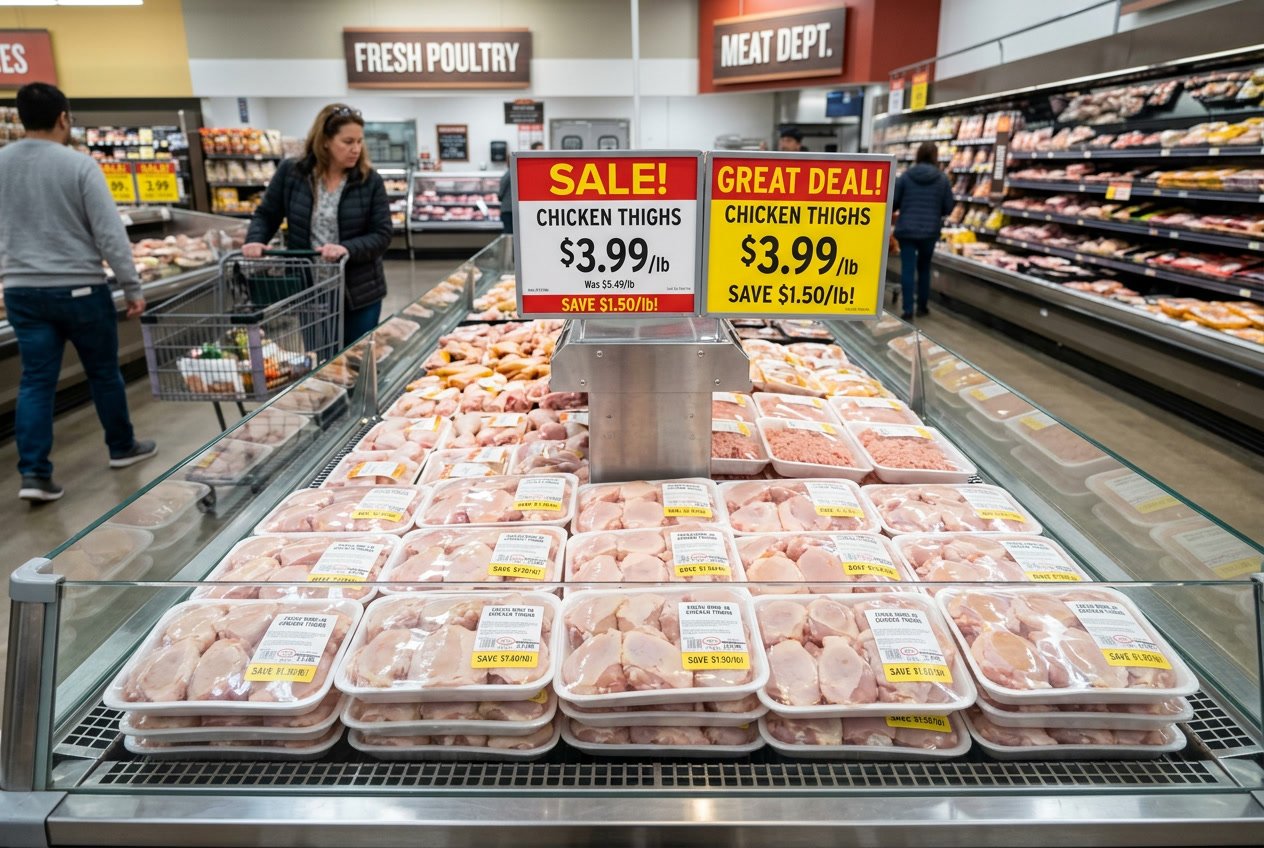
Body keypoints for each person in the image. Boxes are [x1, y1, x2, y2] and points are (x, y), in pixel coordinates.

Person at [0, 82, 157, 502]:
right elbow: (109, 234)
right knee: (104, 372)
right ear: (63, 118)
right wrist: (132, 286)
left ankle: (33, 473)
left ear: (19, 118)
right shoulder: (78, 165)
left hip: (20, 290)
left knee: (35, 381)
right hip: (80, 290)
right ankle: (121, 447)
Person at [243, 103, 392, 344]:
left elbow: (382, 233)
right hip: (310, 289)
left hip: (359, 289)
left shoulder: (368, 179)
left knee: (357, 359)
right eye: (348, 142)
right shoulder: (293, 173)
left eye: (359, 141)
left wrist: (347, 248)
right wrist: (255, 240)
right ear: (325, 141)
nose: (356, 149)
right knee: (322, 362)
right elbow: (267, 213)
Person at [890, 141, 953, 320]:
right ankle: (922, 306)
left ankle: (907, 308)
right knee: (924, 268)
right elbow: (948, 207)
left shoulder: (906, 177)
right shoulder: (942, 179)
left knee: (907, 268)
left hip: (907, 230)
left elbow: (894, 203)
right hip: (929, 231)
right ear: (935, 156)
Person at [498, 141, 542, 235]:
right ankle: (511, 250)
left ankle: (512, 249)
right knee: (511, 234)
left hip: (509, 210)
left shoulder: (509, 173)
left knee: (510, 234)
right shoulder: (512, 173)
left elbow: (500, 194)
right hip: (510, 210)